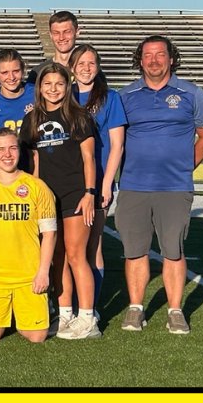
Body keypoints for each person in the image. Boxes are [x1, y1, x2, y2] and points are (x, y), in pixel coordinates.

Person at [116, 35, 203, 335]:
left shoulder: (192, 93)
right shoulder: (125, 96)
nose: (154, 60)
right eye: (147, 55)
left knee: (173, 250)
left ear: (171, 58)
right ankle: (136, 308)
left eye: (160, 54)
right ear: (140, 59)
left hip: (174, 188)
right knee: (134, 250)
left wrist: (185, 166)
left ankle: (175, 310)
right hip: (134, 186)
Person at [20, 63, 100, 340]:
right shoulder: (31, 119)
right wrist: (35, 196)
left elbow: (89, 157)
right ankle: (64, 313)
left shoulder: (79, 116)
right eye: (47, 84)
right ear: (39, 87)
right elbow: (35, 162)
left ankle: (88, 318)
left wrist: (90, 193)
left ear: (68, 87)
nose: (53, 89)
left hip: (76, 194)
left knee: (77, 255)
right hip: (47, 198)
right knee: (57, 257)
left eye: (59, 84)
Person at [0, 129, 57, 343]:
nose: (7, 154)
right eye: (0, 149)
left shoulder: (37, 186)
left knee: (36, 337)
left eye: (12, 148)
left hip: (29, 274)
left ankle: (35, 309)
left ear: (19, 152)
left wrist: (43, 272)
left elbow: (50, 233)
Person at [68, 44, 126, 310]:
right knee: (68, 247)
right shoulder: (64, 95)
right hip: (67, 181)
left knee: (93, 244)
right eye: (81, 63)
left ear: (98, 67)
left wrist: (106, 184)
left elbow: (117, 145)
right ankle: (67, 304)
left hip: (97, 180)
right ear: (72, 67)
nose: (86, 69)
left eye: (91, 63)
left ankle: (90, 306)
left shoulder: (110, 98)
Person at [27, 10, 80, 83]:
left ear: (77, 32)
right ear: (50, 35)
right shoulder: (37, 72)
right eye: (56, 33)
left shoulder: (88, 71)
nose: (61, 38)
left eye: (67, 32)